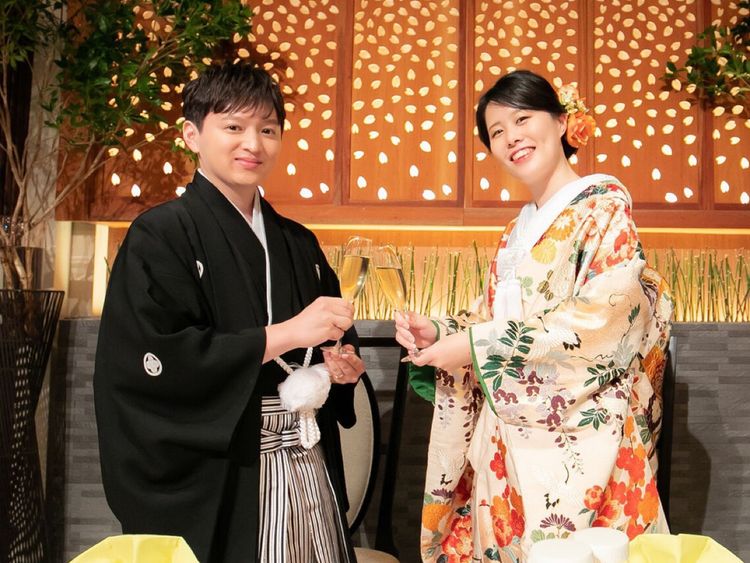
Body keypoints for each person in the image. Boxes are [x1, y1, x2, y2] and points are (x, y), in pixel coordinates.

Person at [395, 70, 673, 561]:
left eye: (523, 119)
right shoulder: (514, 232)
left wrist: (477, 346)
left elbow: (601, 318)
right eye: (497, 131)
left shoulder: (603, 208)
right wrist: (440, 330)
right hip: (508, 433)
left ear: (562, 122)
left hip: (583, 437)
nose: (511, 137)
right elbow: (490, 317)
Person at [94, 62, 364, 563]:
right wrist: (286, 334)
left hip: (304, 461)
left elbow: (330, 343)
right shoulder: (160, 235)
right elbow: (160, 358)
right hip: (224, 474)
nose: (253, 144)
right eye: (234, 127)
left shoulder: (298, 242)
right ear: (192, 135)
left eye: (268, 130)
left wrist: (341, 369)